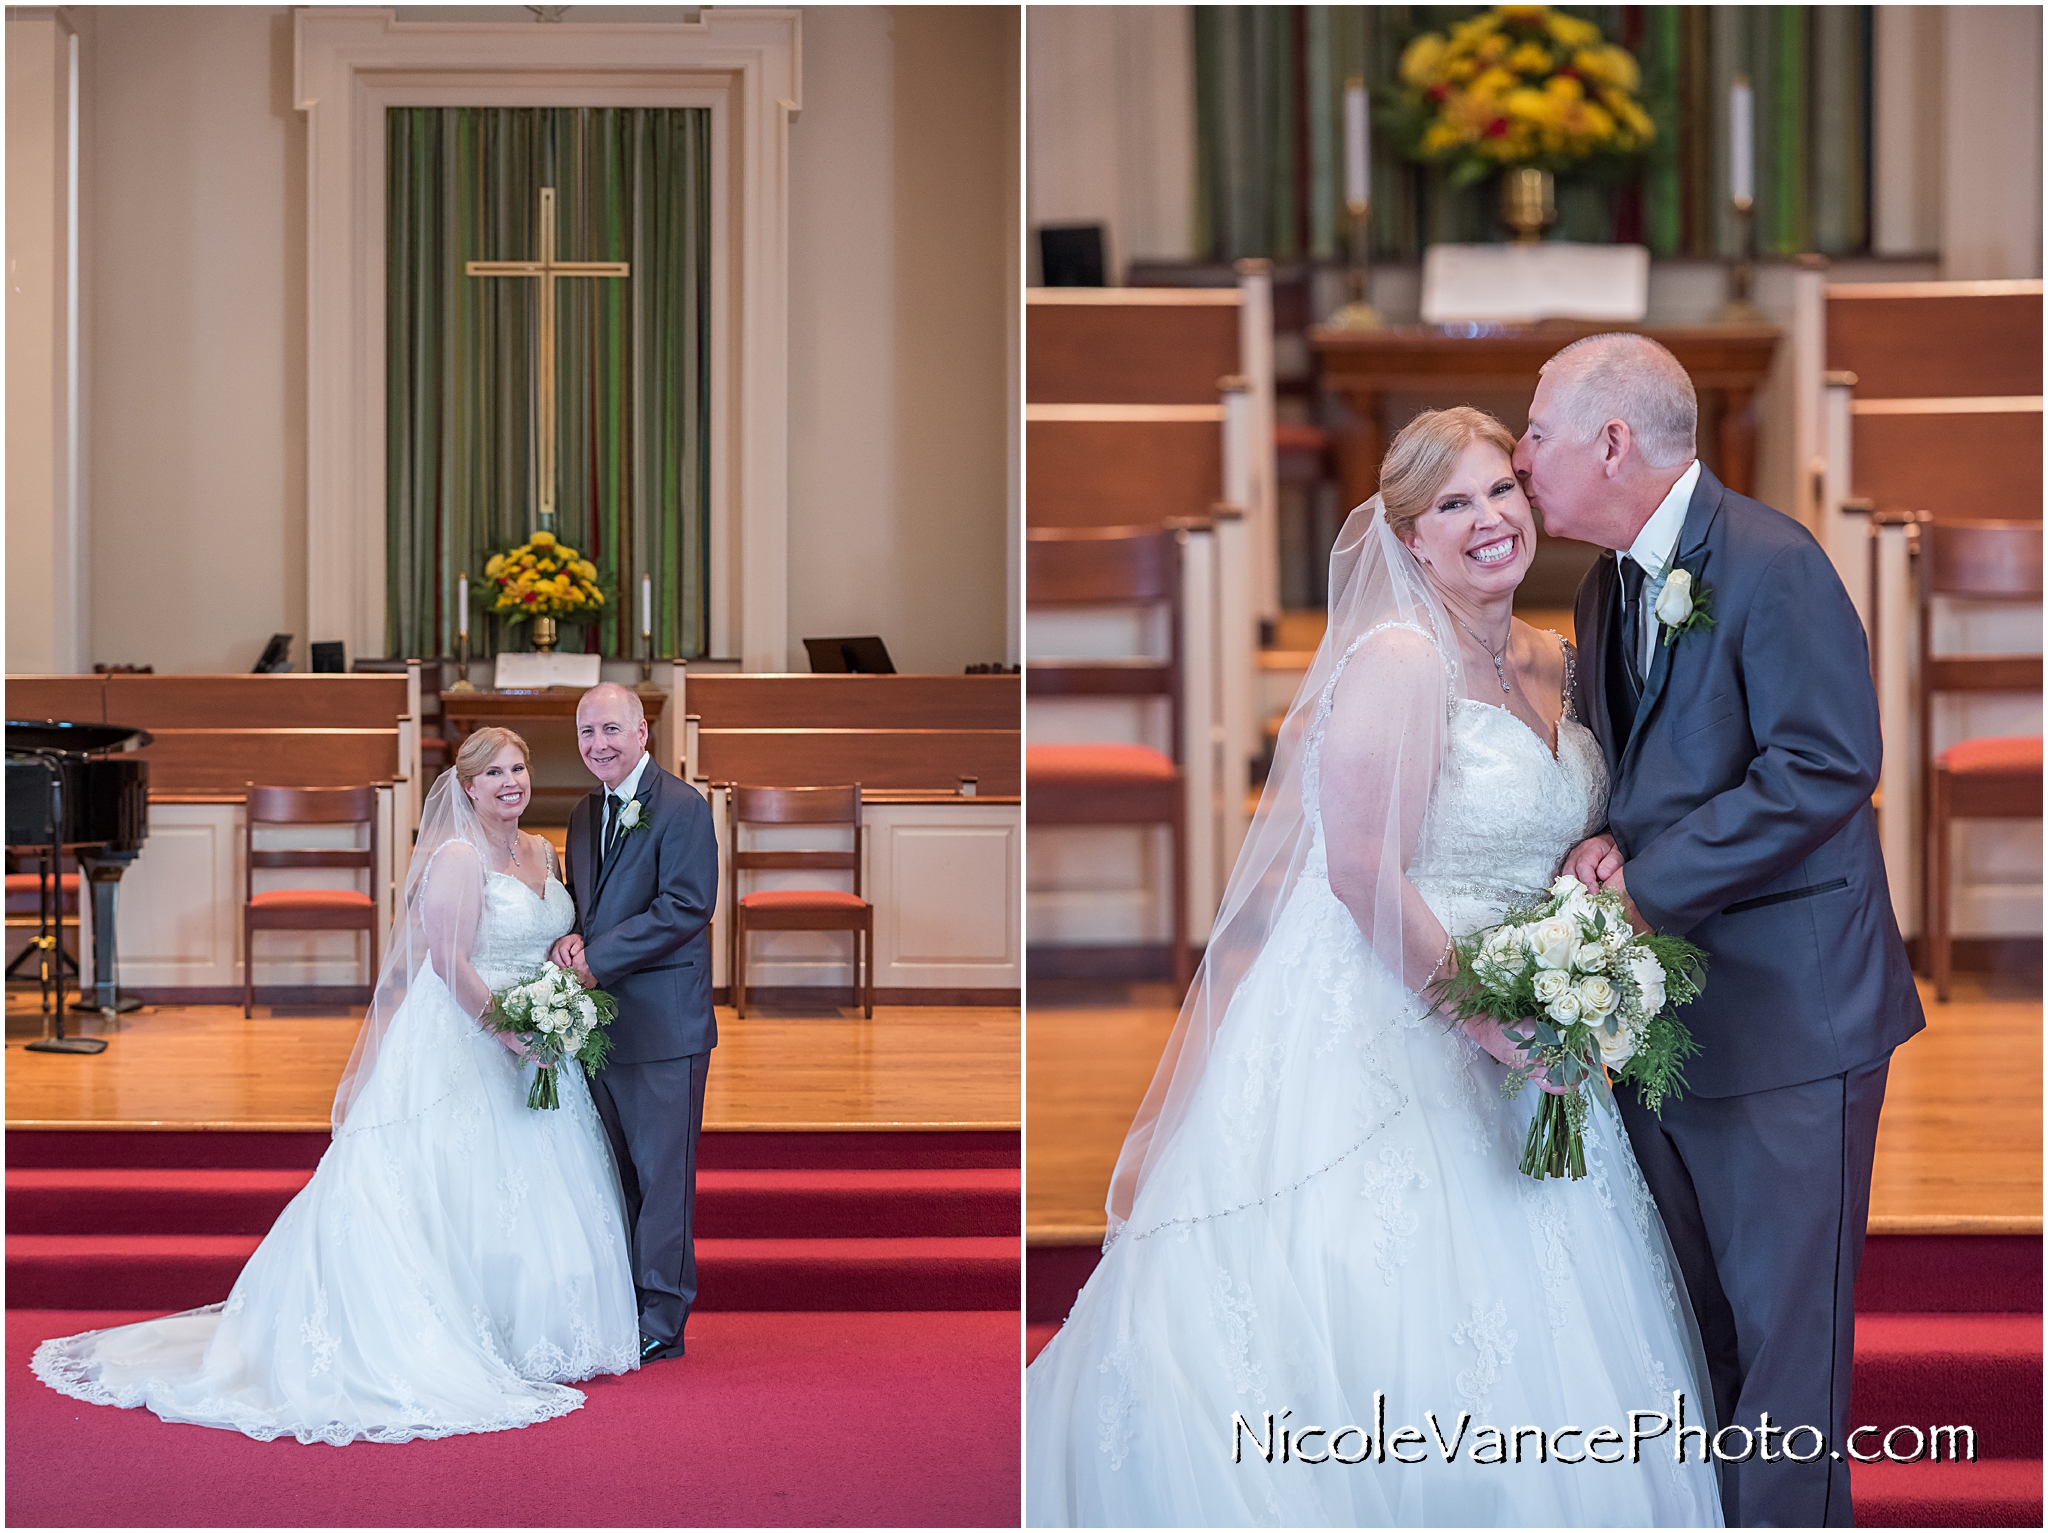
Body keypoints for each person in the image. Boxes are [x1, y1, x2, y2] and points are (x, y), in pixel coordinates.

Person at [1025, 407, 1723, 1527]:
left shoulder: (1561, 655)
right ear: (1405, 541)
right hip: (1396, 1021)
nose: (1485, 520)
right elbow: (1358, 874)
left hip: (1534, 1025)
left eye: (1499, 490)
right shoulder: (1401, 661)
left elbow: (1580, 822)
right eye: (1451, 505)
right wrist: (1485, 1022)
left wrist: (1596, 863)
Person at [1522, 332, 1924, 1528]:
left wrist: (1644, 888)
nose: (1520, 454)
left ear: (1611, 441)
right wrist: (1609, 849)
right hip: (1671, 1022)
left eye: (1536, 431)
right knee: (1701, 1340)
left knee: (1785, 1359)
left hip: (1791, 1020)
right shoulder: (1605, 584)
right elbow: (1653, 776)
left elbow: (1826, 764)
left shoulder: (1769, 562)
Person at [32, 726, 640, 1443]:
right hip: (469, 1040)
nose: (511, 781)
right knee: (450, 1189)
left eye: (519, 766)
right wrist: (508, 1030)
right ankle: (451, 1332)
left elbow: (543, 936)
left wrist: (561, 968)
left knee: (535, 1191)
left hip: (540, 1046)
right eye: (495, 772)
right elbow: (447, 961)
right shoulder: (457, 854)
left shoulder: (541, 850)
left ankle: (525, 1329)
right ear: (468, 786)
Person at [549, 683, 719, 1364]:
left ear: (643, 731)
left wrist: (597, 958)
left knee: (663, 1178)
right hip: (602, 1026)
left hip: (665, 1026)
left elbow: (686, 906)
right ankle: (622, 1303)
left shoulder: (683, 808)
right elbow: (589, 909)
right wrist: (567, 939)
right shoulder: (584, 816)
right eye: (588, 732)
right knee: (616, 1174)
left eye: (612, 729)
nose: (599, 744)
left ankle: (662, 1317)